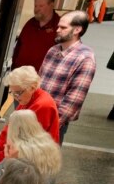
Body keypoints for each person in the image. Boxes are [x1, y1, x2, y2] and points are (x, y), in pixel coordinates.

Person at [39, 10, 96, 143]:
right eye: (58, 26)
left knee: (44, 162)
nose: (57, 30)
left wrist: (52, 125)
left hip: (53, 124)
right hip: (35, 115)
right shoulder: (53, 50)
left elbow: (74, 100)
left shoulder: (85, 58)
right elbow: (38, 82)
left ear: (77, 29)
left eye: (63, 27)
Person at [0, 66, 60, 163]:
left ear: (32, 87)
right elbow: (11, 128)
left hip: (35, 162)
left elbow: (22, 141)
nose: (15, 97)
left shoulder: (42, 106)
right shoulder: (28, 99)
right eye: (12, 93)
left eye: (18, 93)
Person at [11, 0, 59, 73]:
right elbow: (18, 46)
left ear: (52, 5)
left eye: (41, 6)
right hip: (20, 74)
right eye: (35, 6)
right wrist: (13, 68)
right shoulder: (30, 23)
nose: (37, 9)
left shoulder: (59, 25)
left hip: (41, 77)